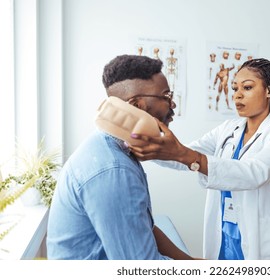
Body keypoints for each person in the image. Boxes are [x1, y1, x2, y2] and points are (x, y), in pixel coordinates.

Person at [129, 58, 270, 260]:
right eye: (235, 88)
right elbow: (184, 154)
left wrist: (186, 155)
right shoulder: (228, 129)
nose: (237, 95)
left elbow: (254, 173)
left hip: (261, 238)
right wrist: (147, 144)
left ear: (269, 91)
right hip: (225, 232)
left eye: (247, 87)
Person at [46, 55, 194, 260]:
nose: (173, 104)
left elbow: (144, 228)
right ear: (137, 105)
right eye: (166, 96)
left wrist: (194, 263)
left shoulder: (112, 148)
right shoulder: (113, 169)